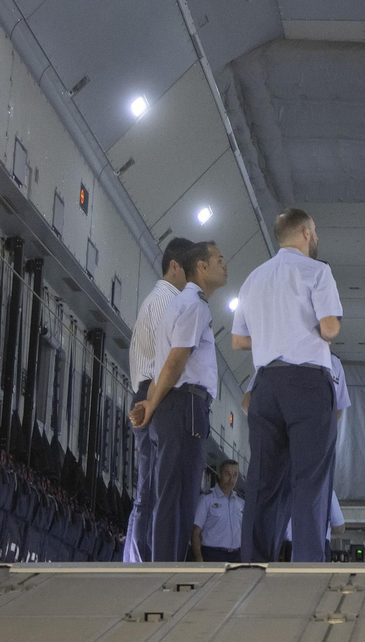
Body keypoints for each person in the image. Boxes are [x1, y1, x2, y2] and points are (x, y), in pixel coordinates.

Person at [233, 208, 343, 562]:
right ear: (307, 233)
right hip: (307, 383)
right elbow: (329, 328)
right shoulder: (317, 271)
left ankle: (253, 561)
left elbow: (238, 340)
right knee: (310, 479)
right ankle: (308, 566)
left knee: (263, 481)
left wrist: (273, 336)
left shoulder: (254, 278)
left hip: (266, 384)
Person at [130, 238, 228, 560]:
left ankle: (163, 568)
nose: (224, 264)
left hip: (173, 404)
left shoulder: (179, 303)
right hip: (184, 404)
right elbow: (176, 359)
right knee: (179, 497)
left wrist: (151, 403)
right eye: (218, 259)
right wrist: (152, 403)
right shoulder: (193, 304)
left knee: (169, 494)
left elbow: (165, 363)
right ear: (201, 267)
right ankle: (166, 572)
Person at [122, 236, 193, 562]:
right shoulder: (167, 300)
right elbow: (170, 359)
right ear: (174, 266)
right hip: (154, 395)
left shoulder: (158, 299)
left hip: (148, 393)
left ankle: (139, 560)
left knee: (150, 488)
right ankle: (144, 561)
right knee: (155, 489)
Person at [192, 460, 243, 562]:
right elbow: (195, 532)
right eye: (227, 474)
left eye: (235, 475)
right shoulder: (207, 499)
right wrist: (198, 558)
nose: (231, 479)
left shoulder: (241, 502)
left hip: (236, 556)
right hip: (213, 555)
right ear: (219, 474)